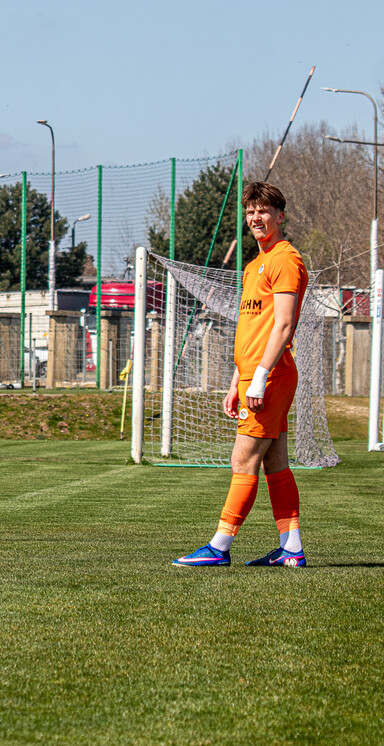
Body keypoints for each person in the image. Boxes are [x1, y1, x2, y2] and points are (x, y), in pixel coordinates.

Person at [174, 182, 308, 568]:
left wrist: (262, 374)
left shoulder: (286, 259)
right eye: (251, 212)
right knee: (274, 463)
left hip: (272, 375)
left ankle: (219, 546)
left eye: (264, 211)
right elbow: (252, 326)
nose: (256, 218)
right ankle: (291, 548)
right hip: (252, 376)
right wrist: (238, 378)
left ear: (280, 216)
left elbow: (283, 327)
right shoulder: (253, 265)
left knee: (243, 459)